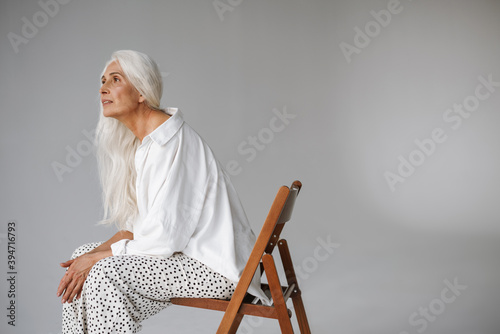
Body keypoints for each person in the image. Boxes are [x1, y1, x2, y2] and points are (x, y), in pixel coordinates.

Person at [57, 50, 268, 333]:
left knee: (104, 272)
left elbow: (163, 240)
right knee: (82, 258)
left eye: (115, 79)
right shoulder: (149, 144)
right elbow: (142, 229)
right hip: (187, 259)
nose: (103, 87)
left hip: (216, 269)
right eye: (103, 79)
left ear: (141, 92)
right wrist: (89, 256)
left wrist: (97, 259)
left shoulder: (170, 144)